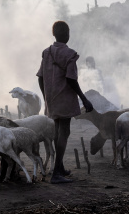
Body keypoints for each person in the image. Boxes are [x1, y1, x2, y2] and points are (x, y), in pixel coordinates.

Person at [36, 21, 94, 184]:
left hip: (52, 98)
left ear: (54, 34)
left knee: (57, 131)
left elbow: (40, 77)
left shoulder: (46, 52)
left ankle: (59, 167)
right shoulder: (69, 54)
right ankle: (56, 174)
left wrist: (46, 95)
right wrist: (84, 98)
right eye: (67, 33)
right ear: (67, 35)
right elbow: (71, 79)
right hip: (65, 97)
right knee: (65, 131)